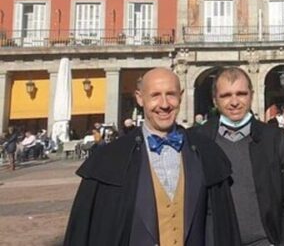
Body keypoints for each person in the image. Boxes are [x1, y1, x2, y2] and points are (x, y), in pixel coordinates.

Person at [63, 67, 241, 246]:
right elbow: (86, 230)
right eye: (155, 95)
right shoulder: (109, 159)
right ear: (140, 98)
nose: (164, 104)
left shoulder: (206, 152)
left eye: (171, 94)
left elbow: (223, 228)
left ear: (180, 96)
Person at [193, 67, 284, 246]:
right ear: (215, 100)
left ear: (251, 95)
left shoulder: (275, 140)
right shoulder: (200, 140)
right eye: (226, 95)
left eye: (241, 94)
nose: (234, 102)